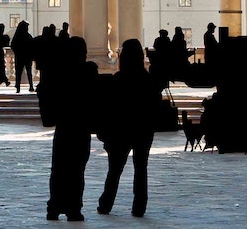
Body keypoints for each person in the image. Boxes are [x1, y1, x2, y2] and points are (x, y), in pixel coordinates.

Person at [97, 39, 161, 217]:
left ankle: (106, 204)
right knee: (141, 168)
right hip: (143, 129)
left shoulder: (118, 80)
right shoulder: (149, 81)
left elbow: (108, 108)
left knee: (114, 170)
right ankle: (139, 206)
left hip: (120, 130)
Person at [47, 36, 96, 221]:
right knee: (77, 170)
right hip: (81, 126)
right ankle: (74, 208)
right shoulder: (88, 71)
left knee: (59, 168)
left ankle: (54, 206)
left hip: (63, 126)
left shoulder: (58, 72)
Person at [12, 20, 35, 93]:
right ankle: (31, 86)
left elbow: (13, 45)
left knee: (18, 72)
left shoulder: (17, 36)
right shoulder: (28, 36)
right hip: (27, 56)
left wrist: (17, 52)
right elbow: (32, 45)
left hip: (19, 57)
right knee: (28, 72)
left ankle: (18, 86)